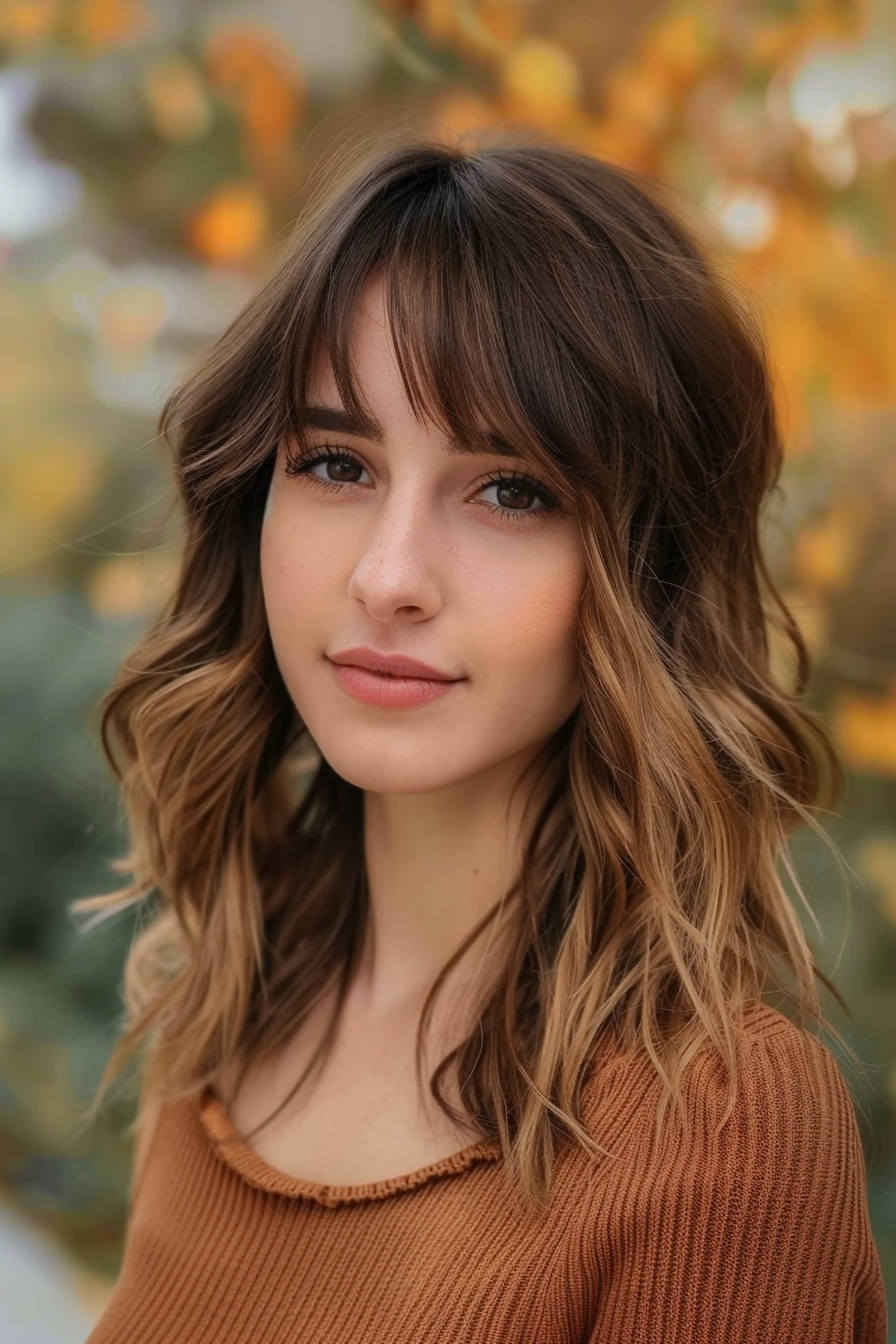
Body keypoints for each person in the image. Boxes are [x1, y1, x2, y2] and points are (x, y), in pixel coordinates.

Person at [76, 130, 887, 1343]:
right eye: (336, 463)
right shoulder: (218, 1006)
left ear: (646, 574)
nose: (388, 576)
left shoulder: (719, 1131)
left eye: (511, 489)